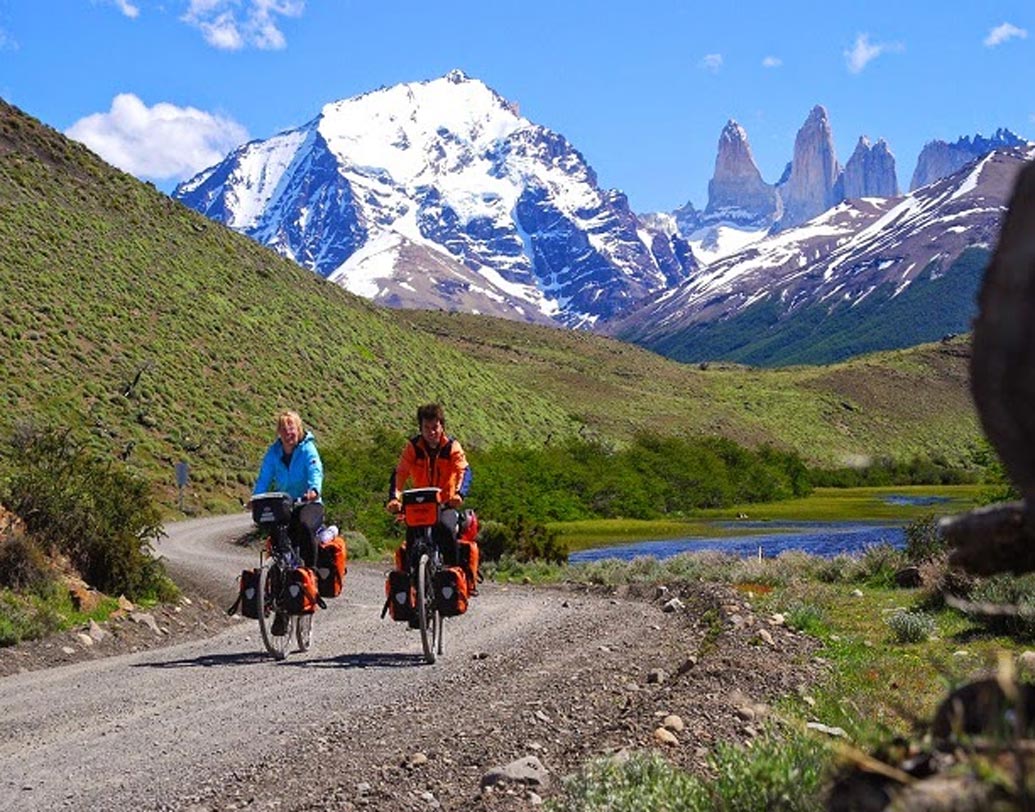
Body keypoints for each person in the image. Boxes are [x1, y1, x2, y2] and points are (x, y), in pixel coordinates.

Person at [385, 403, 471, 566]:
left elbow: (463, 470)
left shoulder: (452, 447)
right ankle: (413, 581)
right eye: (426, 428)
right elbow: (400, 472)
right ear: (420, 428)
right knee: (412, 539)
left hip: (445, 503)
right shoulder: (413, 448)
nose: (431, 432)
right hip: (421, 504)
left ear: (442, 426)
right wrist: (394, 498)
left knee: (446, 529)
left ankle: (453, 574)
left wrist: (459, 494)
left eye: (435, 427)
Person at [250, 410, 325, 570]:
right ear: (279, 432)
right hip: (284, 504)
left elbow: (315, 470)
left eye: (292, 428)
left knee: (305, 525)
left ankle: (311, 572)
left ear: (299, 429)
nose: (288, 433)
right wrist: (256, 498)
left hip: (307, 502)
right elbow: (264, 477)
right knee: (276, 532)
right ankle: (277, 574)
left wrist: (313, 490)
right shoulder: (274, 453)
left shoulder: (307, 449)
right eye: (284, 429)